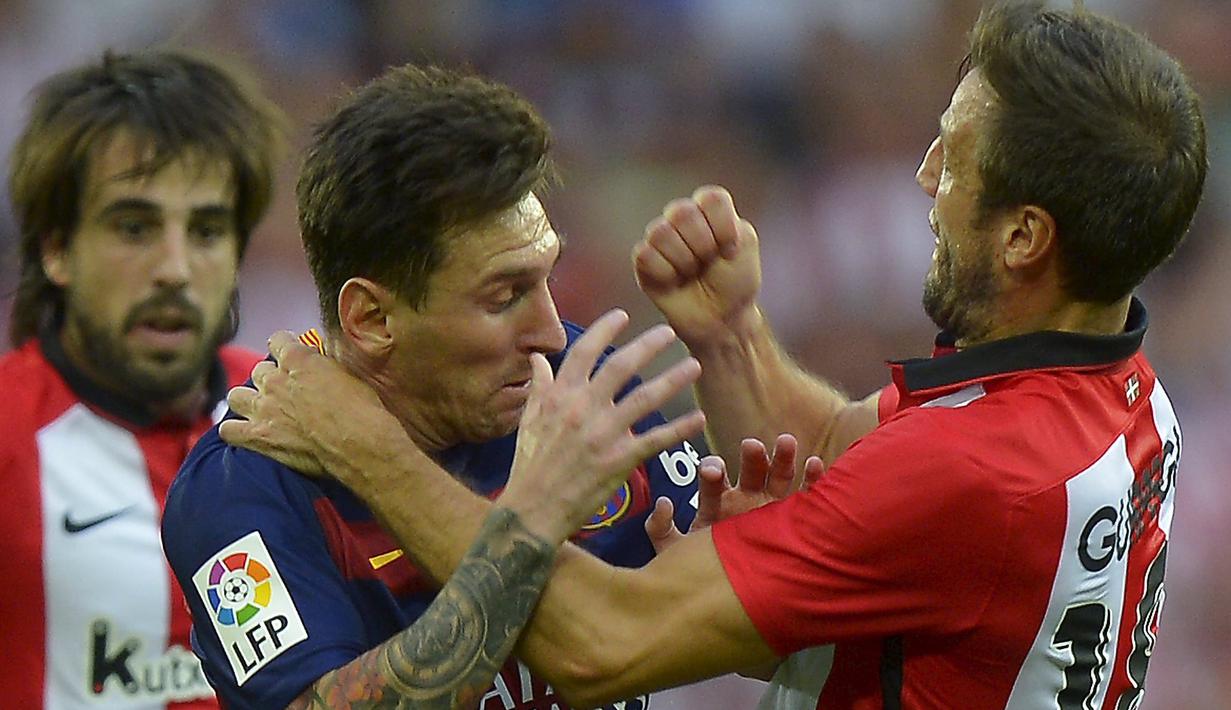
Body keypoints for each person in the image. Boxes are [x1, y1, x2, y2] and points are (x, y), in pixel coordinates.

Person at [218, 2, 1207, 708]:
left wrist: (368, 449)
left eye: (954, 157)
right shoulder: (1119, 395)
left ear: (1025, 236)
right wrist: (731, 335)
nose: (922, 175)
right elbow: (850, 452)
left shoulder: (978, 473)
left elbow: (599, 647)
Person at [159, 64, 709, 709]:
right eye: (505, 297)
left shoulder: (578, 389)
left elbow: (757, 629)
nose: (551, 332)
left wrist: (733, 340)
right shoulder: (243, 489)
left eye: (546, 278)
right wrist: (532, 524)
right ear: (372, 318)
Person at [0, 50, 284, 708]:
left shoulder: (296, 417)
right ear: (56, 248)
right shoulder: (10, 438)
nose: (175, 269)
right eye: (135, 227)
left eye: (207, 230)